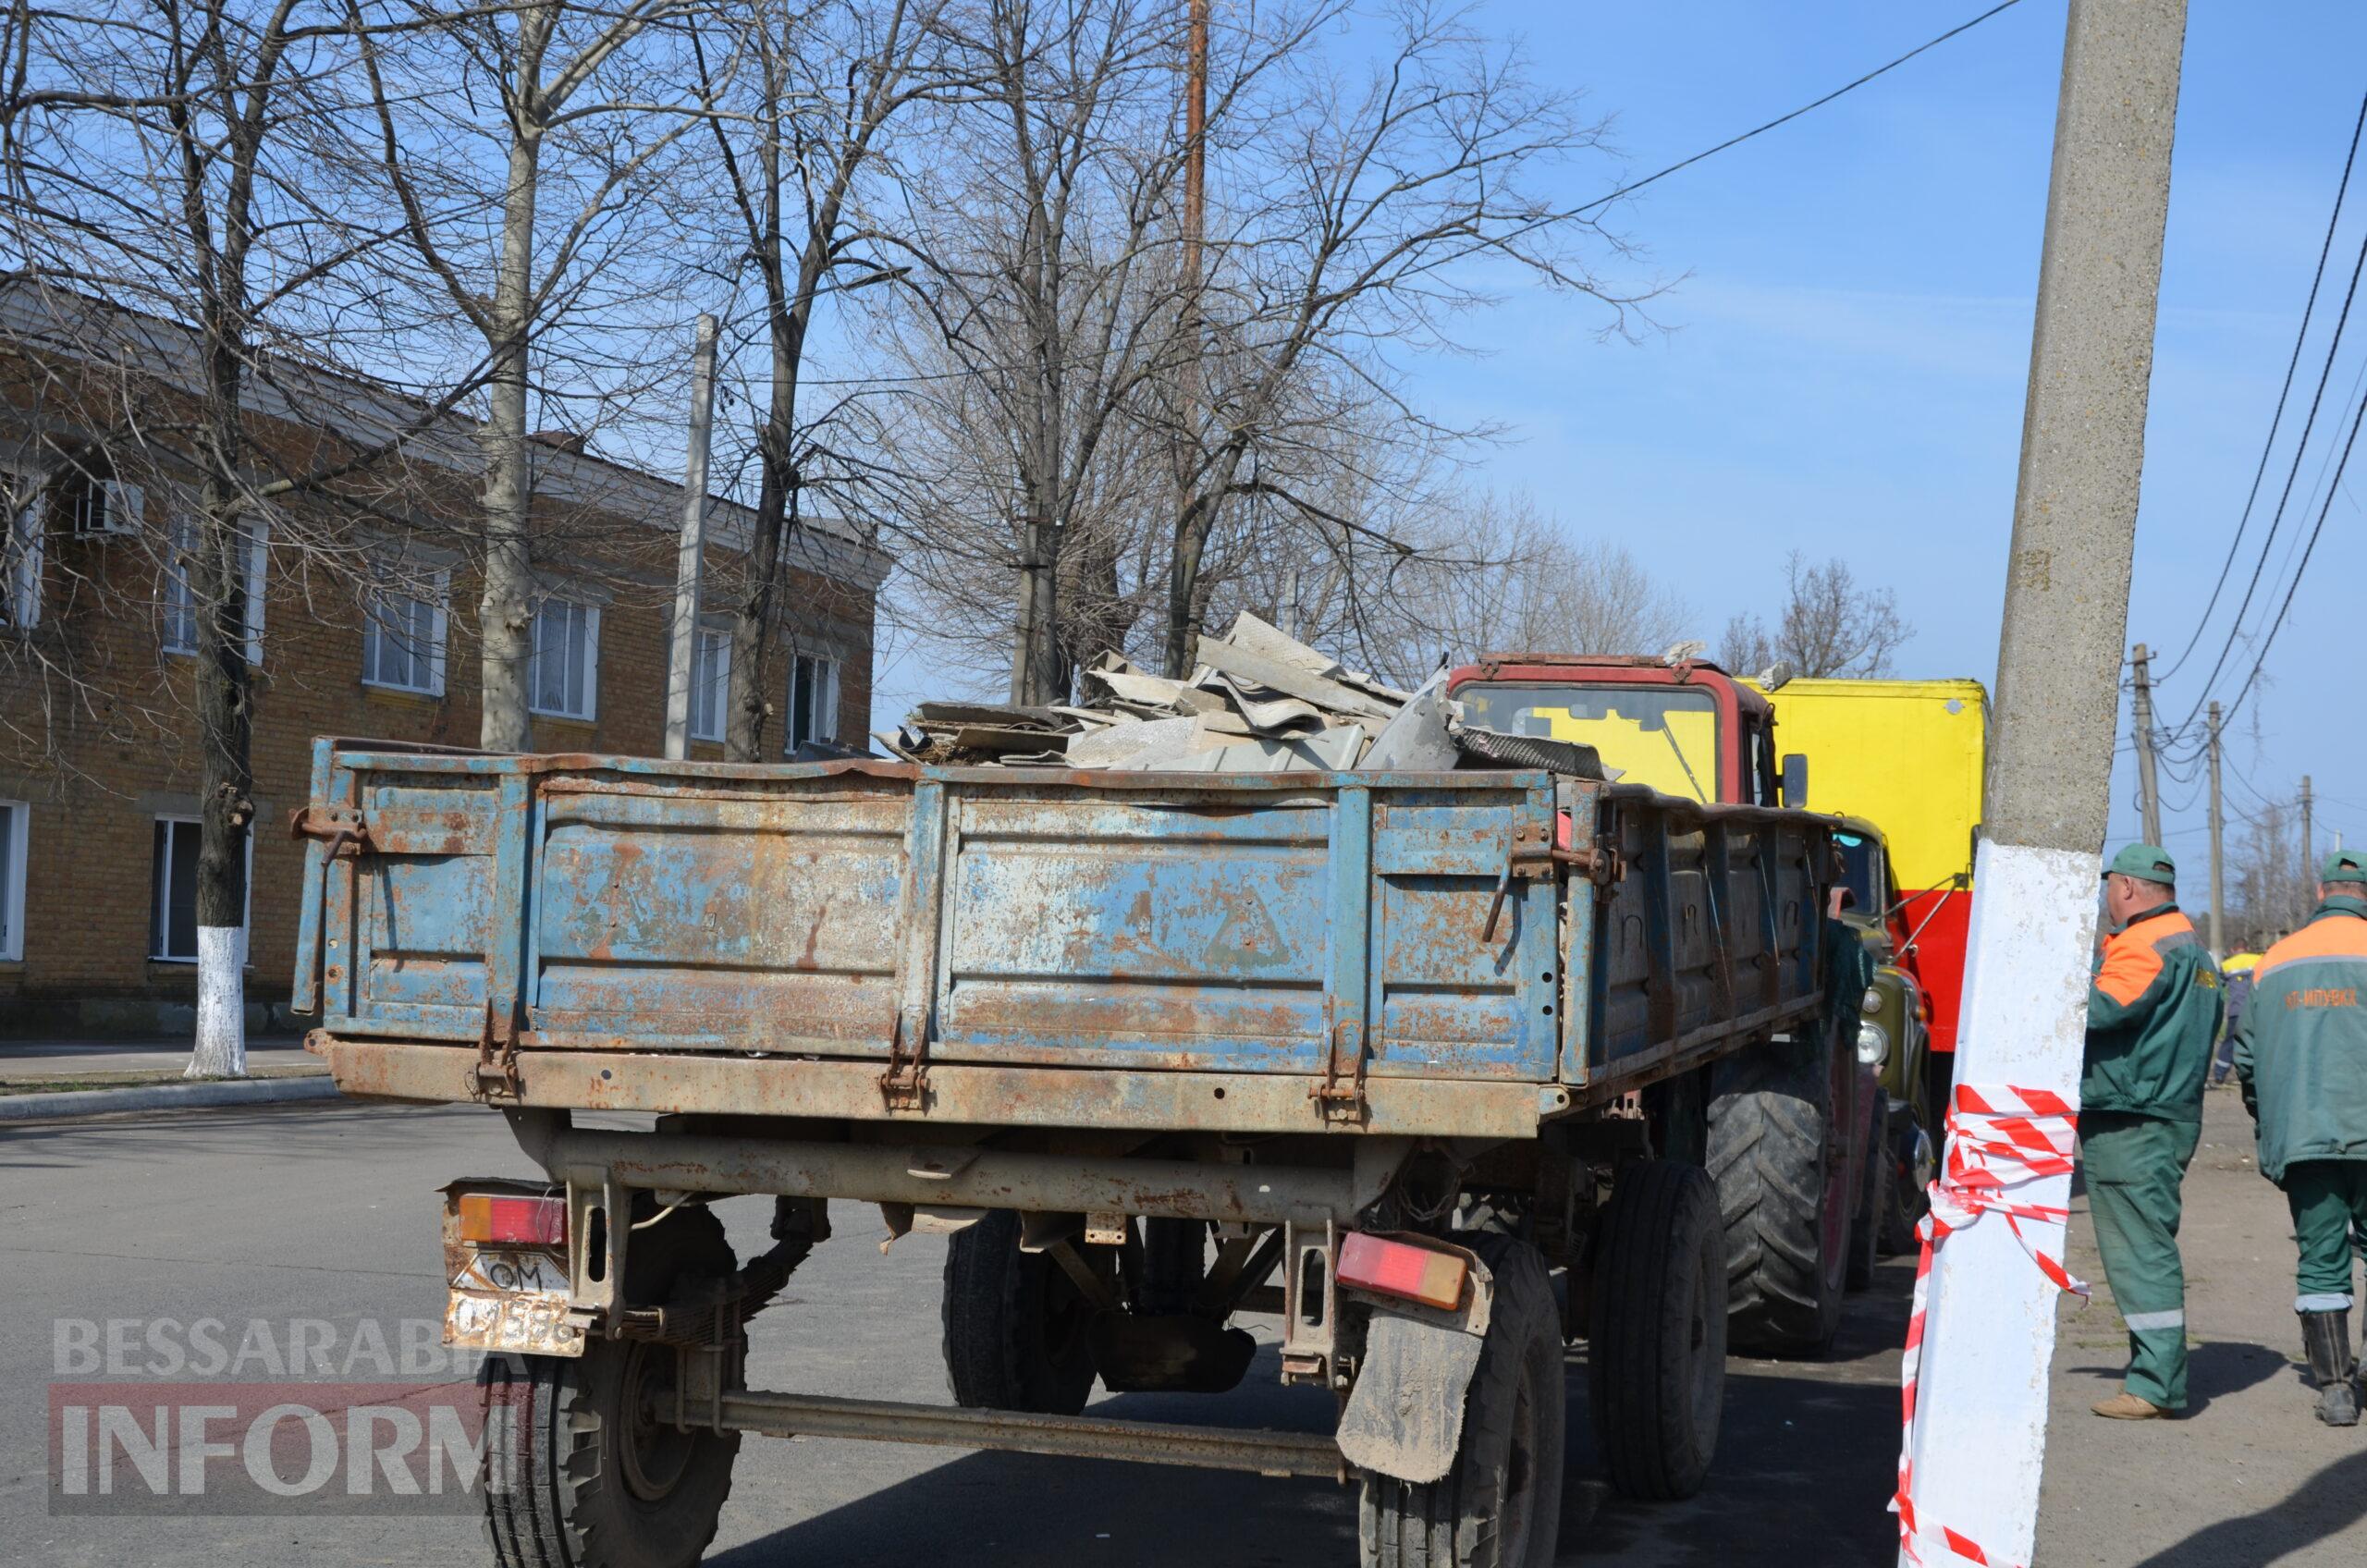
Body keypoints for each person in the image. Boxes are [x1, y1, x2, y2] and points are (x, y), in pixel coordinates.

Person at [2081, 844, 2226, 1420]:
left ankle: (2156, 1385)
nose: (2107, 899)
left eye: (2109, 887)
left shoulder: (2144, 944)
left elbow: (2099, 1010)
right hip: (2167, 1114)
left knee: (2140, 1251)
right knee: (2149, 1243)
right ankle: (2155, 1375)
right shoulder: (2196, 951)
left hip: (2132, 1121)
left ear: (2128, 889)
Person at [2232, 849, 2367, 1427]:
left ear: (2320, 893)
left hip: (2305, 1138)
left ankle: (2336, 1389)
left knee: (2320, 1259)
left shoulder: (2274, 962)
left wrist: (2272, 1124)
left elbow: (2246, 1060)